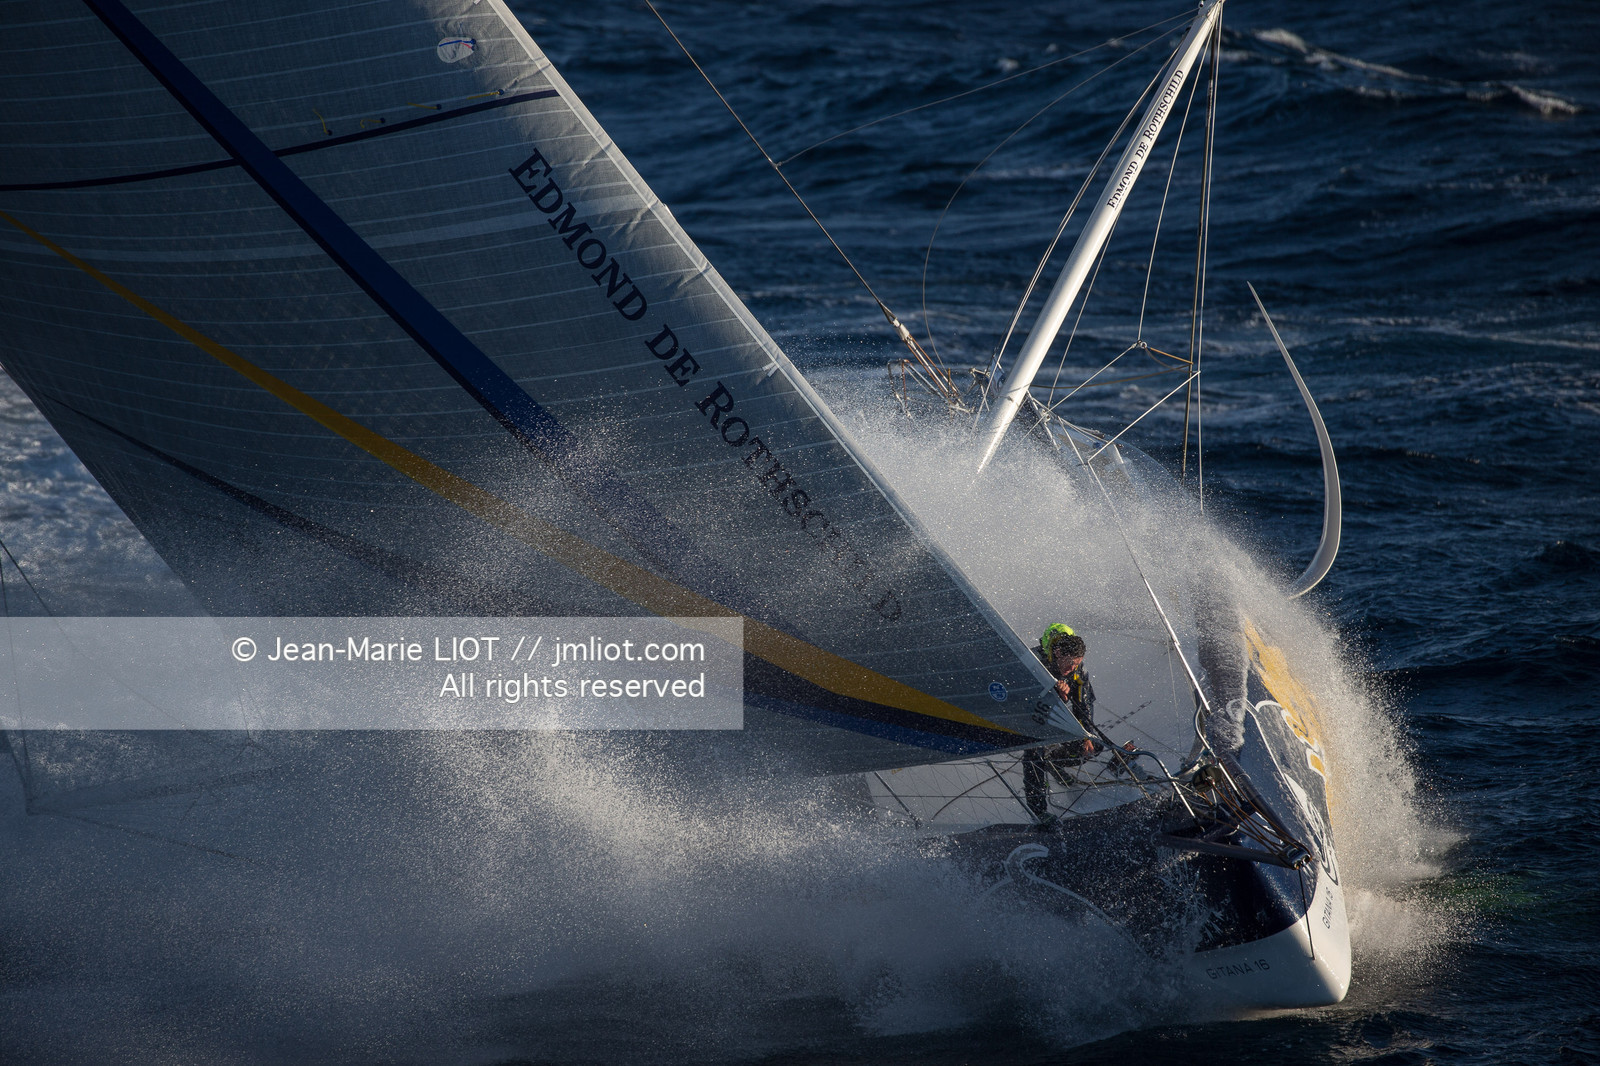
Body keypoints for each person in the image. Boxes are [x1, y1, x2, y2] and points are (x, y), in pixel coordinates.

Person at [1022, 623, 1100, 824]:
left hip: (1053, 722)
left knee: (1092, 746)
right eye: (1070, 663)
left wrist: (1086, 735)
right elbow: (1021, 704)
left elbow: (1084, 704)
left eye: (1077, 664)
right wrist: (1052, 697)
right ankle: (1038, 811)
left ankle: (1054, 763)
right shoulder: (1033, 661)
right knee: (1034, 751)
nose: (1073, 668)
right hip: (1028, 722)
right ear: (1057, 653)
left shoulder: (1077, 669)